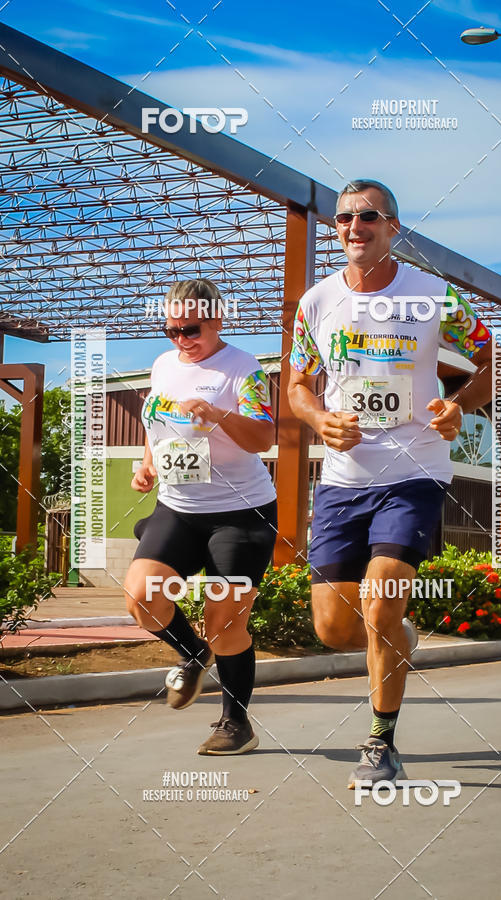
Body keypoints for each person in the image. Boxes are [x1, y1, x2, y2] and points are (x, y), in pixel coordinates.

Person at [288, 179, 493, 787]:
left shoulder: (434, 297)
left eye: (369, 216)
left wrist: (460, 404)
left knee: (379, 601)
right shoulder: (316, 302)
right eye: (344, 217)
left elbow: (496, 360)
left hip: (415, 469)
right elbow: (297, 385)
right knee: (333, 628)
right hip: (343, 481)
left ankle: (381, 743)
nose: (355, 226)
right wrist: (319, 417)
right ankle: (400, 633)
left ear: (392, 228)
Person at [124, 278, 277, 755]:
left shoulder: (243, 368)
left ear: (217, 320)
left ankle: (236, 723)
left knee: (224, 622)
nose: (181, 339)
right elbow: (156, 420)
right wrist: (148, 463)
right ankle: (192, 654)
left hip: (241, 512)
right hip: (179, 506)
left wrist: (218, 415)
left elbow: (263, 438)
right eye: (171, 330)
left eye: (191, 328)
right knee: (141, 599)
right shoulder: (164, 364)